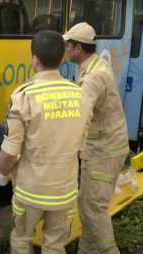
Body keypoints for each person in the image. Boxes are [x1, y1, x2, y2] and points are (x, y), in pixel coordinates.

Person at [0, 30, 93, 254]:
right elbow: (81, 146)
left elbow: (10, 151)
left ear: (34, 59)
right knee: (55, 245)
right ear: (61, 58)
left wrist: (1, 175)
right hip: (64, 191)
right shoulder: (81, 95)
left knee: (21, 240)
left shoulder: (24, 96)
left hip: (30, 190)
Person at [63, 22, 129, 254]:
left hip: (104, 152)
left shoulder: (92, 77)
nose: (65, 50)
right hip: (103, 148)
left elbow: (80, 116)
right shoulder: (92, 67)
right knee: (87, 204)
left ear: (78, 48)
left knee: (93, 208)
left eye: (67, 46)